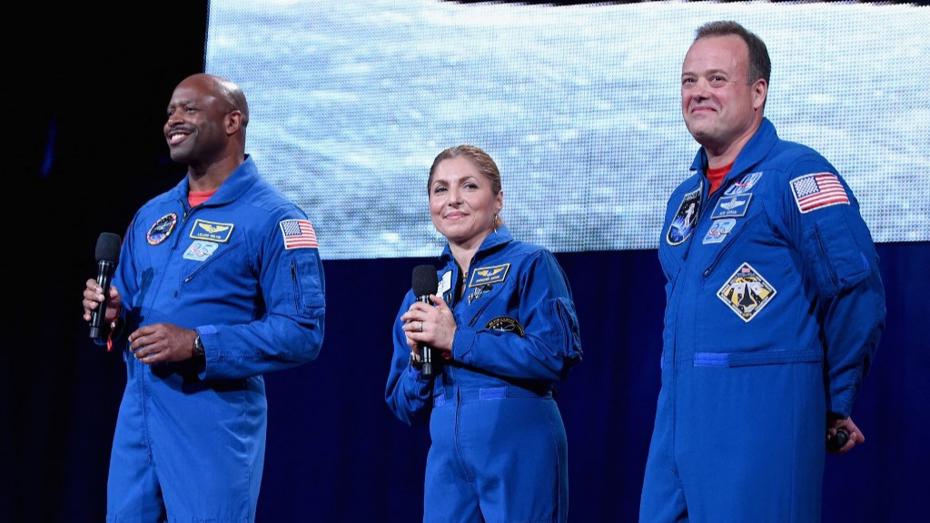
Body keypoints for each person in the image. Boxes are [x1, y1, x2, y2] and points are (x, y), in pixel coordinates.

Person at [639, 21, 885, 522]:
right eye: (689, 81)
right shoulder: (684, 199)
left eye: (716, 79)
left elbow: (856, 291)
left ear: (758, 93)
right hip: (678, 424)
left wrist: (832, 402)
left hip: (760, 420)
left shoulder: (797, 174)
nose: (699, 92)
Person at [81, 73, 325, 522]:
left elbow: (302, 331)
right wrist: (113, 315)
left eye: (189, 109)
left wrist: (197, 343)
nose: (173, 120)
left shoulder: (275, 218)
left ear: (232, 121)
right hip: (138, 418)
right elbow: (125, 309)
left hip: (212, 423)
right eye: (170, 111)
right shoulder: (153, 214)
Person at [385, 145, 583, 522]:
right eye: (440, 189)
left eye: (469, 186)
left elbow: (555, 355)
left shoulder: (530, 263)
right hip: (447, 460)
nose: (453, 199)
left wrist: (457, 340)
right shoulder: (422, 293)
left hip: (519, 445)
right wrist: (418, 362)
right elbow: (404, 405)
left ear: (498, 200)